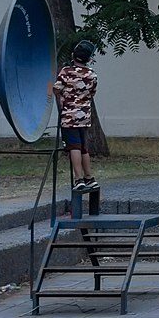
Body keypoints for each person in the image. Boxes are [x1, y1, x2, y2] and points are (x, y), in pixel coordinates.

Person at [50, 40, 101, 202]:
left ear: (74, 55)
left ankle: (78, 179)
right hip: (84, 116)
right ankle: (89, 177)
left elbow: (56, 89)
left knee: (74, 147)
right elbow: (92, 94)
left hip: (69, 116)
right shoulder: (92, 75)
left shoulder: (66, 72)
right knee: (84, 147)